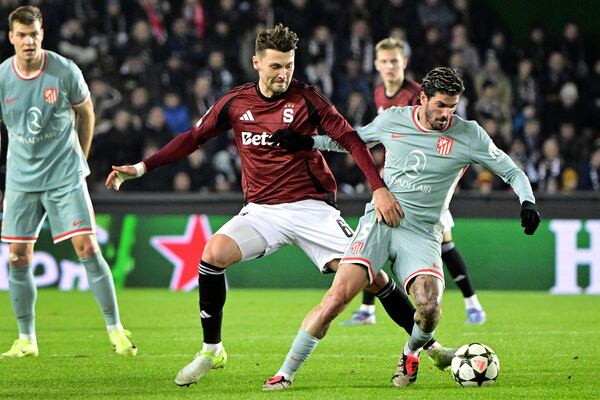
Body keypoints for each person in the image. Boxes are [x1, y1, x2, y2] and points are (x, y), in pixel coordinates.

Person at [106, 23, 449, 388]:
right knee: (212, 253)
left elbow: (350, 138)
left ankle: (429, 345)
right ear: (256, 63)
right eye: (275, 66)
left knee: (373, 278)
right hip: (261, 210)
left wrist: (377, 187)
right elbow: (192, 138)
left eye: (288, 65)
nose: (284, 73)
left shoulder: (308, 99)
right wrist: (141, 168)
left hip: (312, 208)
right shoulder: (236, 103)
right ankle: (212, 349)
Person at [263, 67, 540, 390]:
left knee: (429, 307)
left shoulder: (470, 134)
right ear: (422, 98)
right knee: (336, 299)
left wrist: (527, 201)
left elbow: (511, 171)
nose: (447, 114)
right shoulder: (394, 119)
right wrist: (306, 142)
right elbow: (353, 140)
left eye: (453, 107)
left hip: (421, 232)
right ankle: (285, 373)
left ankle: (410, 353)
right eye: (440, 105)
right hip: (379, 223)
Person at [0, 6, 136, 358]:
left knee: (87, 249)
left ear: (42, 33)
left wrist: (82, 159)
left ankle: (115, 329)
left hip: (63, 176)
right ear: (11, 37)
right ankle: (26, 338)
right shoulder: (2, 77)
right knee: (17, 256)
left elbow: (86, 113)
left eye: (34, 34)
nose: (29, 41)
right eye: (22, 35)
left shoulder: (64, 70)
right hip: (20, 180)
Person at [343, 37, 486, 327]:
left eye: (395, 61)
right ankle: (368, 311)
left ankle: (473, 303)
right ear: (376, 64)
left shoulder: (414, 95)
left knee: (445, 244)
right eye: (384, 61)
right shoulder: (380, 92)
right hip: (396, 182)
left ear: (404, 63)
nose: (390, 66)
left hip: (426, 186)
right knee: (381, 237)